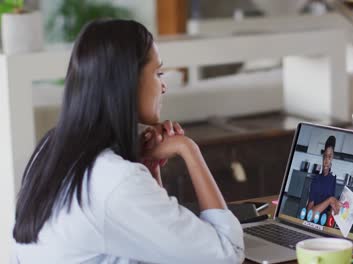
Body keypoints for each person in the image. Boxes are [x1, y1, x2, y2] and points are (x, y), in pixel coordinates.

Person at [12, 19, 244, 264]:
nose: (163, 86)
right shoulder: (116, 180)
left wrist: (151, 169)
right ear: (127, 82)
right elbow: (227, 253)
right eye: (158, 73)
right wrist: (189, 149)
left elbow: (159, 246)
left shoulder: (51, 149)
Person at [306, 136, 342, 215]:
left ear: (332, 158)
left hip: (324, 222)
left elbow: (329, 207)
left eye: (329, 157)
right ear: (322, 157)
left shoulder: (333, 179)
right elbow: (309, 213)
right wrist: (330, 200)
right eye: (325, 156)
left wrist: (335, 208)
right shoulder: (316, 179)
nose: (326, 161)